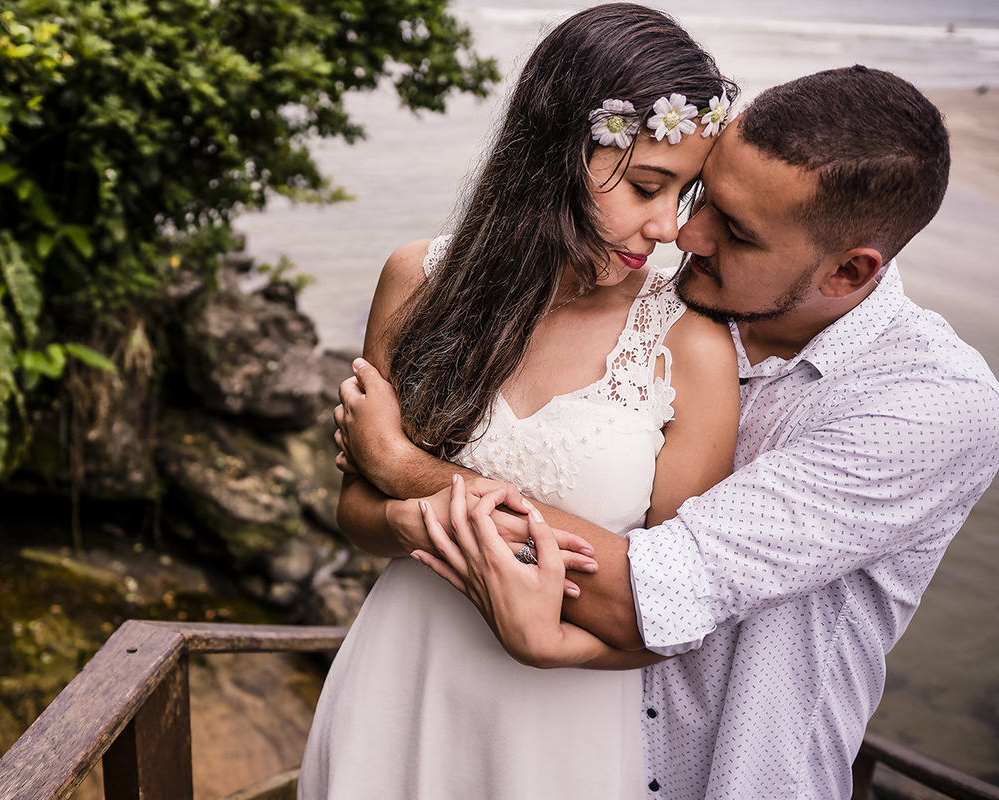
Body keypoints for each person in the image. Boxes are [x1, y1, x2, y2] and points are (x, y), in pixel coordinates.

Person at [334, 65, 999, 798]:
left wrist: (402, 465)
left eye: (735, 232)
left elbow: (641, 592)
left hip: (720, 775)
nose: (685, 232)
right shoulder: (681, 304)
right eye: (700, 196)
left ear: (848, 272)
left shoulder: (927, 407)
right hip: (478, 706)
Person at [297, 5, 741, 798]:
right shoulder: (417, 281)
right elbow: (355, 514)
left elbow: (671, 617)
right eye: (646, 186)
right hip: (396, 681)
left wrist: (407, 470)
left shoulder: (690, 351)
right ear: (554, 153)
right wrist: (400, 517)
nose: (666, 227)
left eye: (682, 195)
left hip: (558, 723)